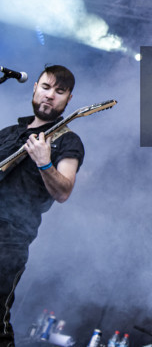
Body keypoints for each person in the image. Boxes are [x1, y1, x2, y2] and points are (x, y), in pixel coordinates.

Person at [0, 65, 85, 347]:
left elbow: (64, 191)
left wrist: (44, 162)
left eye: (59, 92)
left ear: (68, 99)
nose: (50, 96)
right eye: (46, 88)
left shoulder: (67, 140)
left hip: (9, 241)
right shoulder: (9, 132)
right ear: (35, 87)